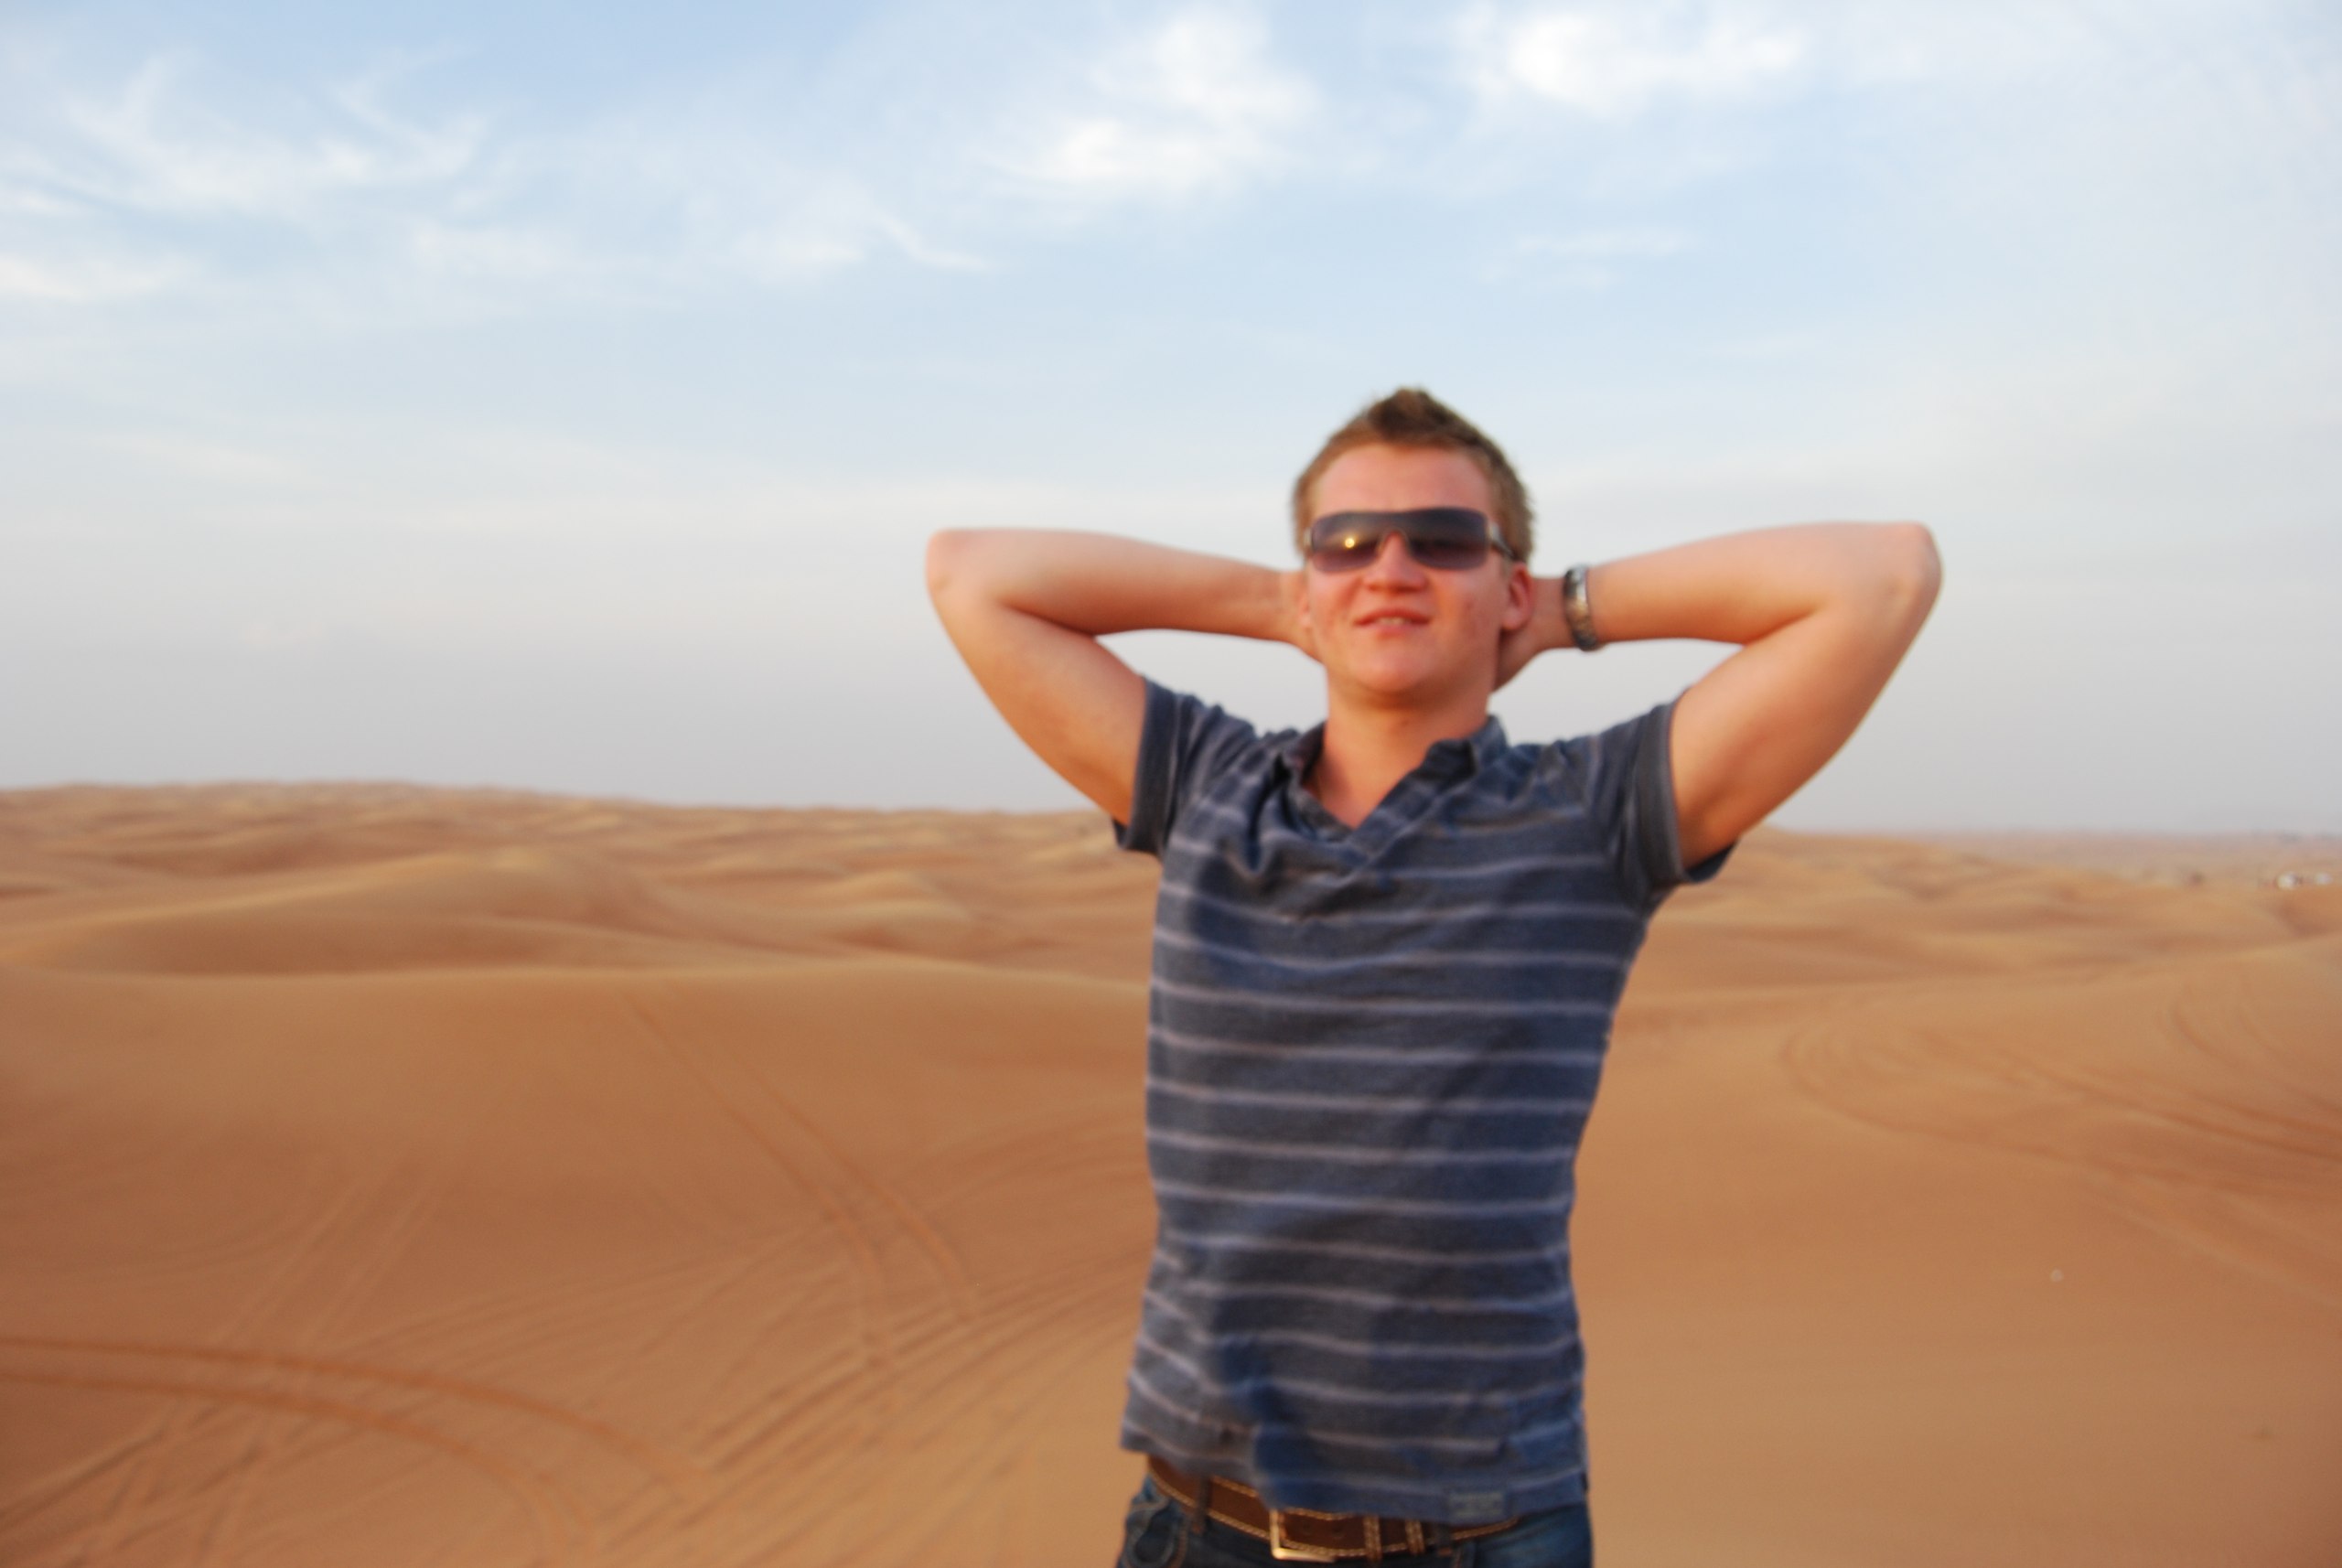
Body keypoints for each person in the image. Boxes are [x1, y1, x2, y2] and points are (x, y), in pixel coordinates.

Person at [925, 389, 1939, 1566]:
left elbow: (1885, 575)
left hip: (1483, 1531)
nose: (1391, 567)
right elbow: (969, 574)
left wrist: (1558, 612)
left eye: (1445, 540)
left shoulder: (1591, 814)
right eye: (1347, 541)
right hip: (1200, 1526)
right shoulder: (1206, 788)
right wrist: (1284, 605)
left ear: (1508, 582)